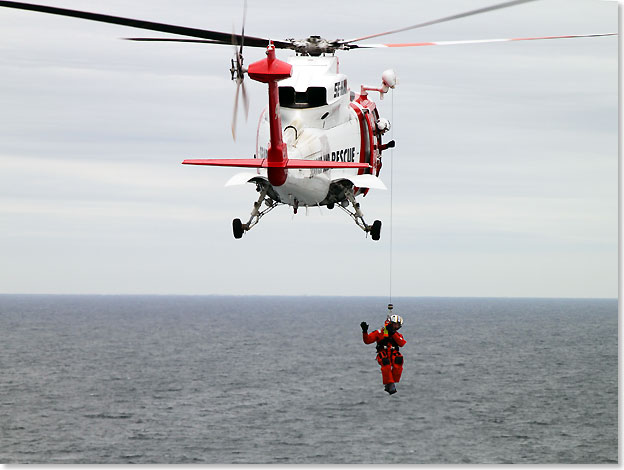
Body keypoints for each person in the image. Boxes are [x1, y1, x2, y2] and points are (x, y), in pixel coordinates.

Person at [361, 308, 405, 395]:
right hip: (383, 352)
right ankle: (389, 384)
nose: (396, 327)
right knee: (386, 363)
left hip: (393, 353)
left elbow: (402, 343)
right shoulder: (380, 332)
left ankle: (393, 382)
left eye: (398, 325)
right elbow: (367, 341)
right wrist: (365, 331)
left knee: (398, 361)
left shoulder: (397, 335)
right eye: (395, 324)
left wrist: (392, 333)